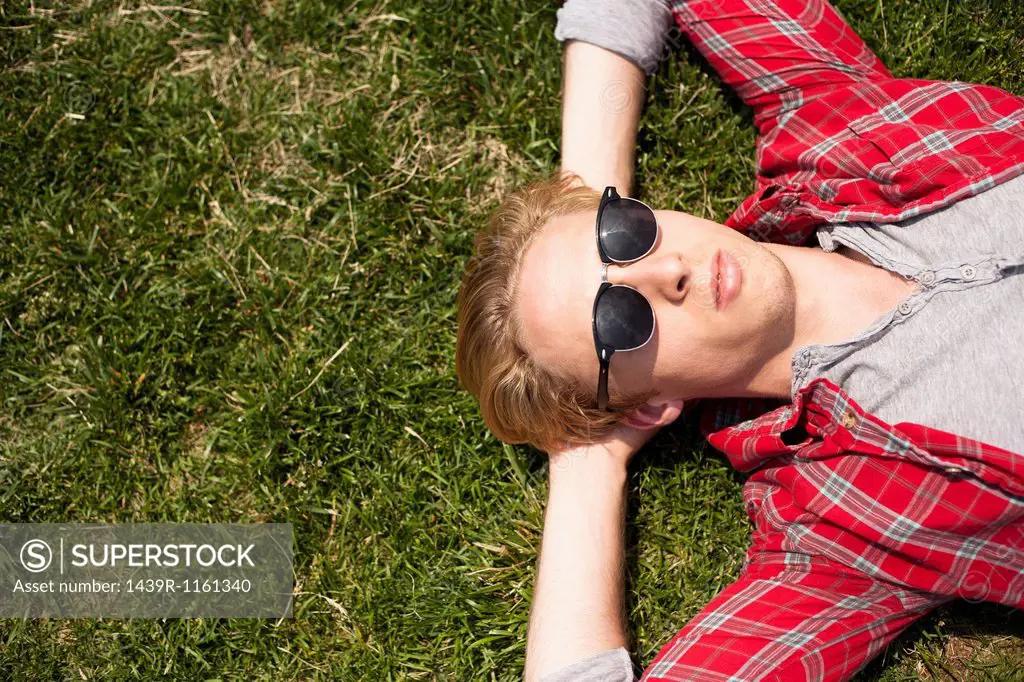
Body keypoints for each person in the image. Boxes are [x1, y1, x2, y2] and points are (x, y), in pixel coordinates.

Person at [455, 0, 1024, 680]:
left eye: (626, 233)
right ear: (647, 408)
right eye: (617, 321)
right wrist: (588, 463)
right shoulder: (842, 531)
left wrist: (583, 196)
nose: (666, 271)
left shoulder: (832, 128)